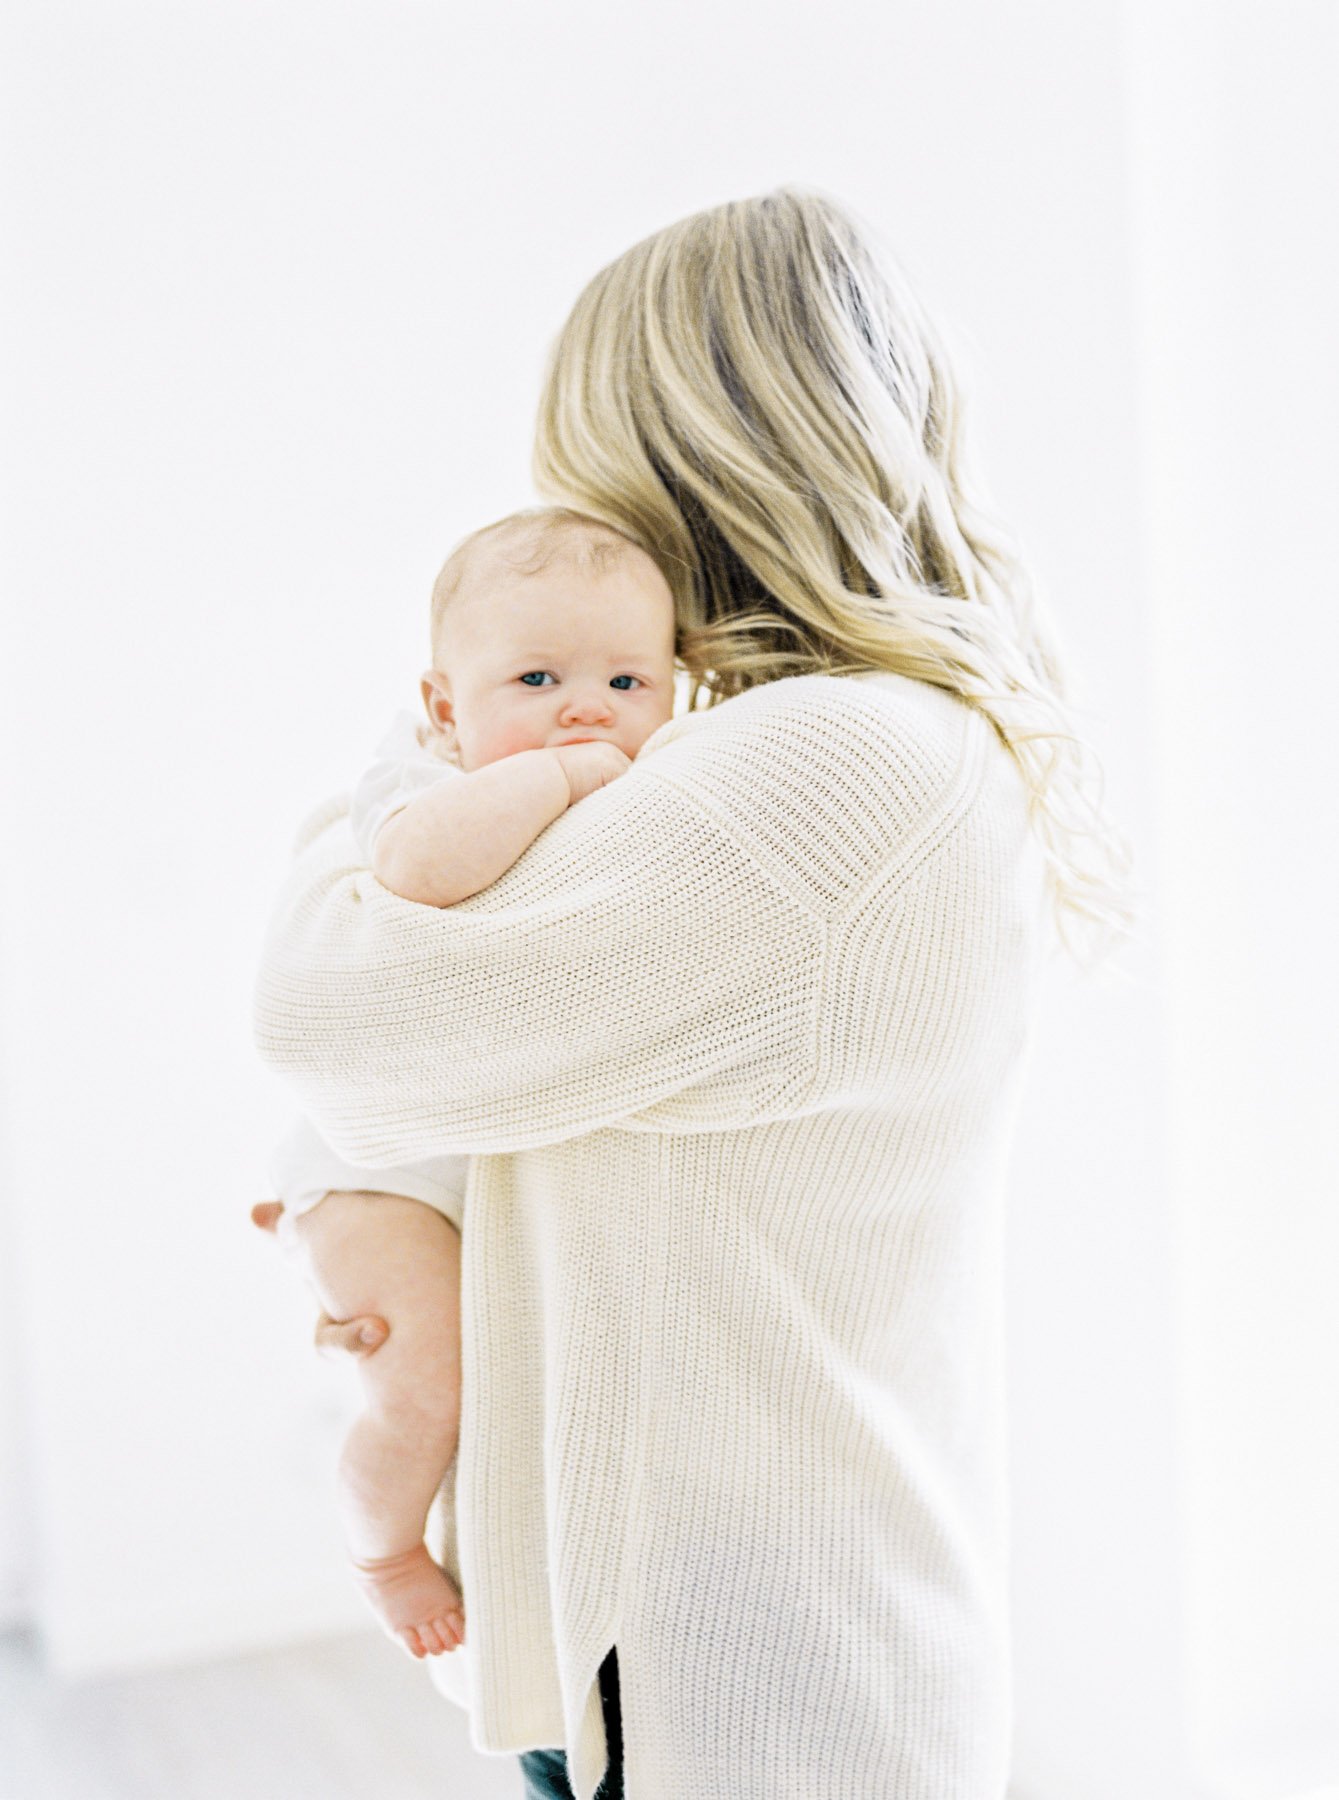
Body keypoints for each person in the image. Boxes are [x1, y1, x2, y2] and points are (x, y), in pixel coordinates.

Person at [252, 185, 1137, 1800]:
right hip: (763, 1649)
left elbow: (328, 1009)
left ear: (673, 455)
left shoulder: (809, 773)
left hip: (744, 1691)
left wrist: (412, 764)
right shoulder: (854, 744)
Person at [258, 505, 679, 1664]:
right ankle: (384, 1550)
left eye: (628, 680)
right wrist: (565, 771)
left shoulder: (658, 778)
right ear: (447, 706)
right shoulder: (423, 777)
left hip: (472, 1153)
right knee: (425, 1388)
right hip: (378, 1171)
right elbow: (420, 868)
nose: (586, 707)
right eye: (537, 677)